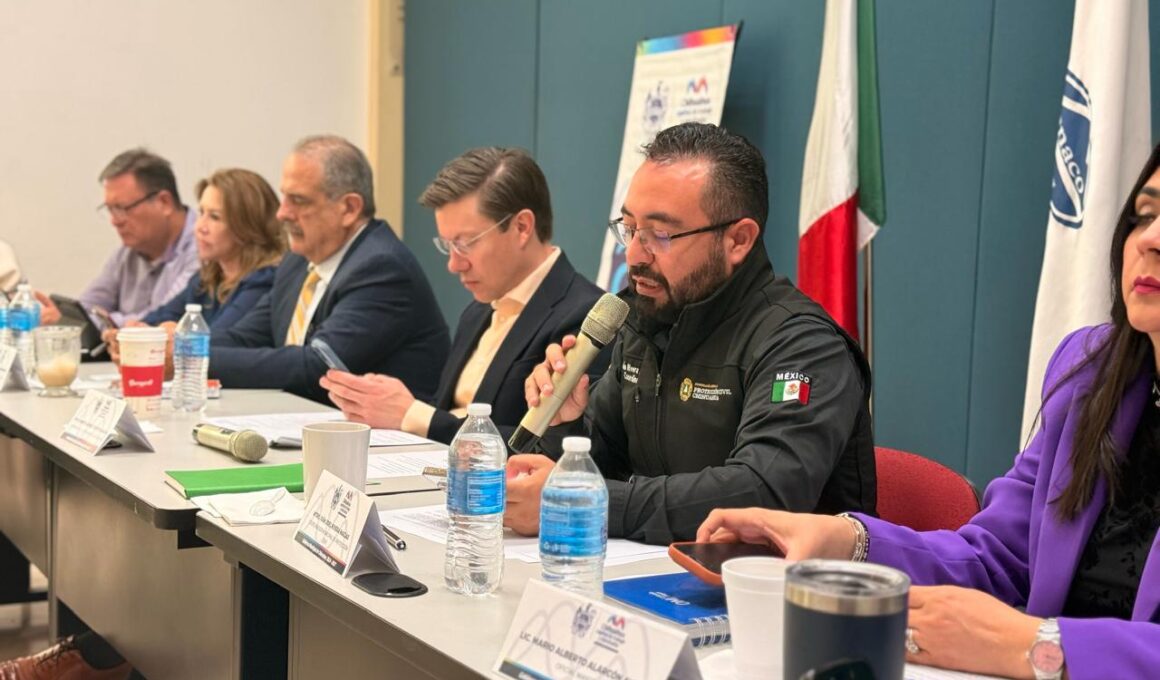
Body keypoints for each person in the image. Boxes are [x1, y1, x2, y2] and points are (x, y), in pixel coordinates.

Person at [695, 142, 1160, 680]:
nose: (1149, 240)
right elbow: (999, 559)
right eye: (1145, 214)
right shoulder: (1091, 372)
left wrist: (1037, 646)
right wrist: (844, 542)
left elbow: (1019, 634)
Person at [504, 122, 875, 545]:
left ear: (738, 240)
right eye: (630, 228)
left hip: (778, 582)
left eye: (660, 235)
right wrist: (564, 425)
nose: (634, 254)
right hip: (656, 570)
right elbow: (604, 462)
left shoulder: (802, 345)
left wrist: (584, 502)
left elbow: (762, 493)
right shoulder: (644, 319)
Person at [321, 147, 606, 444]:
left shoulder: (585, 317)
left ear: (522, 227)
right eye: (447, 246)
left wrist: (413, 415)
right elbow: (448, 411)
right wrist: (387, 403)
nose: (454, 264)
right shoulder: (477, 311)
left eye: (465, 243)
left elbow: (546, 447)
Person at [209, 135, 450, 404]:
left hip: (384, 430)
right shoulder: (298, 261)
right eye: (284, 197)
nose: (282, 213)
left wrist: (195, 359)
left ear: (349, 208)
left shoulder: (382, 268)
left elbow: (319, 365)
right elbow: (245, 337)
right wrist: (184, 348)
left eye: (298, 200)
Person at [77, 149, 201, 325]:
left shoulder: (203, 248)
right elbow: (84, 310)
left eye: (122, 208)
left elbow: (160, 319)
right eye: (110, 210)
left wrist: (108, 322)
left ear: (164, 202)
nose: (115, 221)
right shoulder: (127, 252)